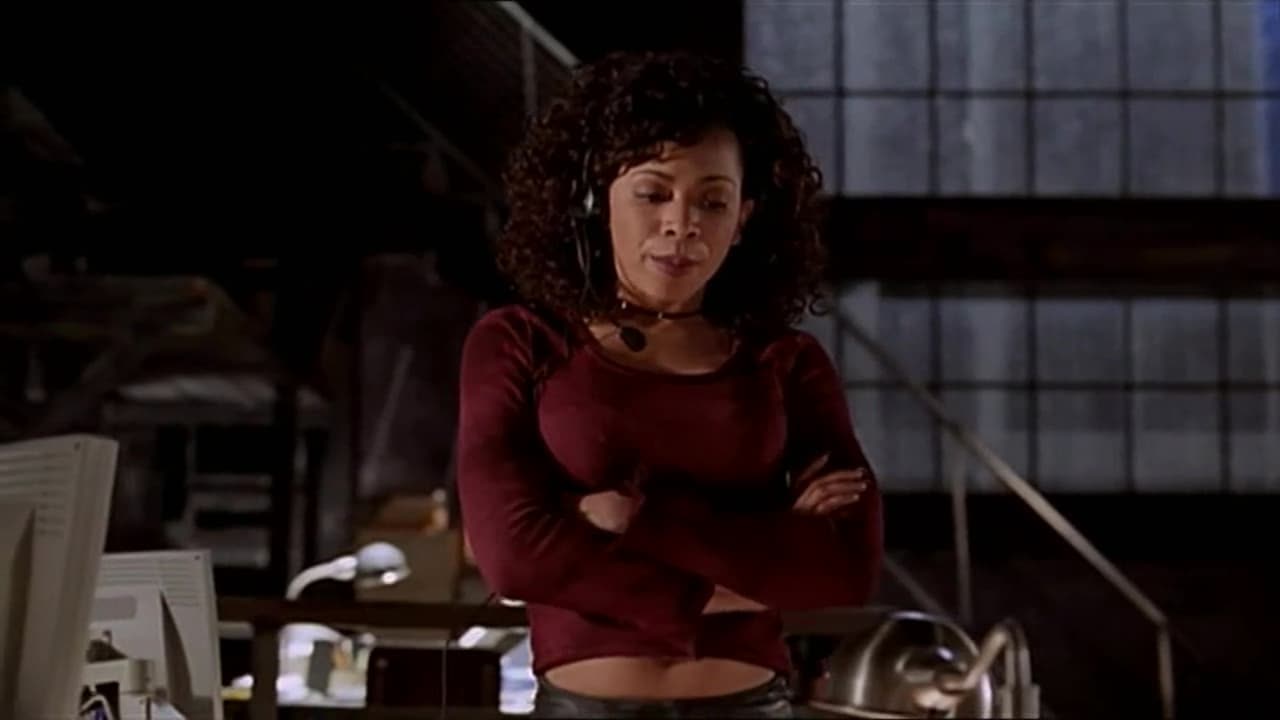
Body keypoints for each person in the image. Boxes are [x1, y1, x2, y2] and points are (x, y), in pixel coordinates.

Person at [455, 50, 883, 719]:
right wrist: (761, 548)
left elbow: (843, 569)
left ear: (743, 218)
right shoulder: (520, 342)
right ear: (595, 199)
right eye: (653, 193)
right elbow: (513, 559)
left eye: (712, 201)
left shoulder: (786, 362)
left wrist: (631, 518)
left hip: (751, 707)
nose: (682, 224)